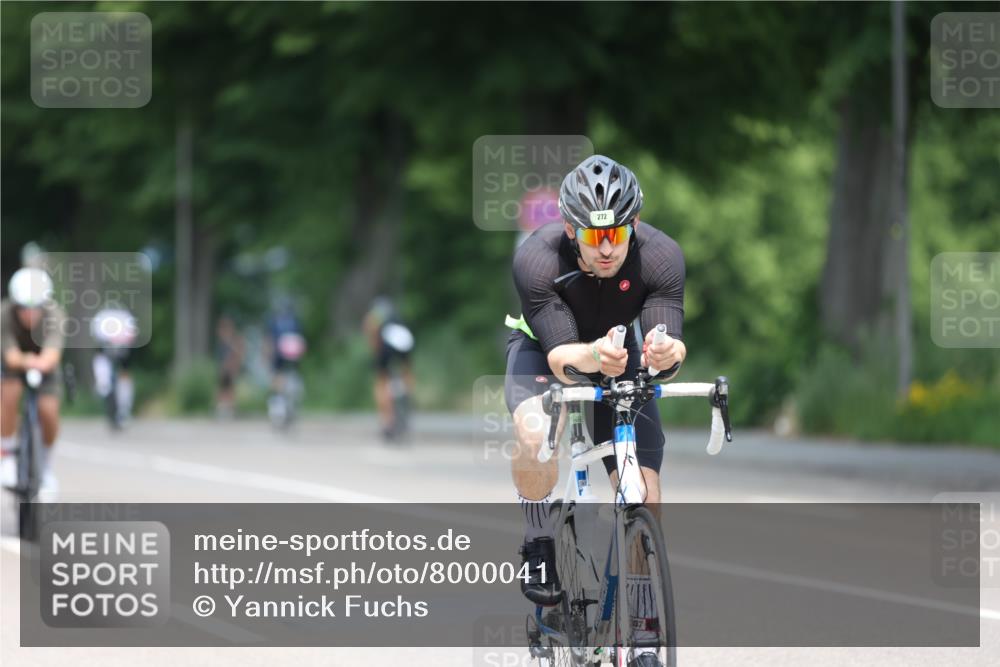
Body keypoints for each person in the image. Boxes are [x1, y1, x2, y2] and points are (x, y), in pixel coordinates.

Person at [505, 156, 686, 667]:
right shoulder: (537, 258)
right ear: (571, 229)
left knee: (645, 492)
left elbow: (669, 344)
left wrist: (666, 353)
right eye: (593, 236)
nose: (607, 249)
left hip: (618, 352)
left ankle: (644, 630)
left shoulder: (661, 257)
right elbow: (561, 359)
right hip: (545, 348)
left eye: (617, 234)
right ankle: (539, 542)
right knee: (535, 430)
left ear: (634, 225)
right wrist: (596, 357)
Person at [0, 267, 67, 500]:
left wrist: (38, 363)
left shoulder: (55, 315)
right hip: (14, 365)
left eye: (35, 308)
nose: (29, 314)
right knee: (9, 393)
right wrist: (27, 361)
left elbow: (52, 355)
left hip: (44, 367)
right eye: (24, 308)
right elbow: (10, 357)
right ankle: (7, 455)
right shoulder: (4, 315)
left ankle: (45, 467)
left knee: (48, 411)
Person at [363, 297, 415, 441]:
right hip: (406, 341)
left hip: (387, 346)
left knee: (381, 381)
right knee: (406, 372)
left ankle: (387, 421)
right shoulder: (396, 316)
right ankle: (407, 395)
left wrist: (375, 351)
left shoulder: (374, 314)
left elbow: (371, 331)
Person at [90, 304, 139, 427]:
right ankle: (105, 389)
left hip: (121, 355)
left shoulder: (120, 317)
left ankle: (123, 409)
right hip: (106, 354)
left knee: (124, 378)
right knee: (104, 380)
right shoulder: (109, 317)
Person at [264, 298, 307, 423]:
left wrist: (267, 355)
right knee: (290, 379)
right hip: (292, 358)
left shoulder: (274, 321)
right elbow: (301, 342)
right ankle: (285, 406)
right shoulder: (295, 322)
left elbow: (269, 340)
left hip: (279, 356)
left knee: (278, 379)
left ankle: (278, 406)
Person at [215, 315, 245, 418]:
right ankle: (223, 409)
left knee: (229, 390)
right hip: (224, 367)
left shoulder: (233, 340)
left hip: (230, 368)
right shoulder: (223, 341)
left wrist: (234, 366)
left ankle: (230, 410)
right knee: (223, 389)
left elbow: (237, 354)